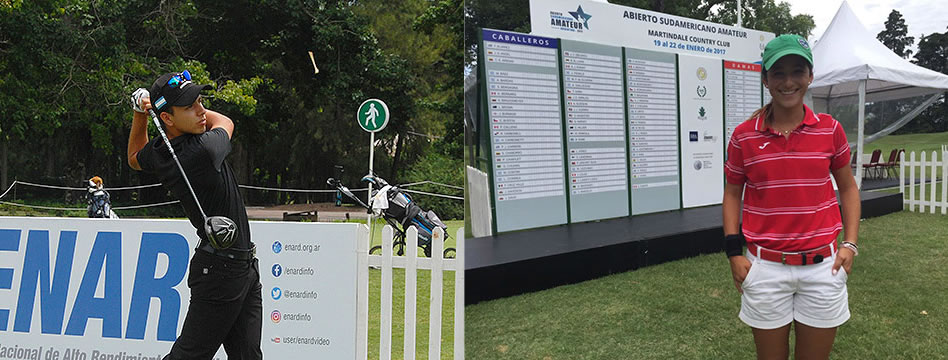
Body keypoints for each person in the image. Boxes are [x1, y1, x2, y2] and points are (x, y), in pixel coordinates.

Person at [723, 34, 860, 360]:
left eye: (797, 71)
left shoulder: (830, 129)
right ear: (766, 80)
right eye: (778, 73)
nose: (788, 81)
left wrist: (851, 243)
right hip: (765, 268)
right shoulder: (744, 136)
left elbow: (849, 188)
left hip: (823, 269)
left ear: (810, 76)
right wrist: (733, 252)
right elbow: (732, 193)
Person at [127, 71, 262, 360]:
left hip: (239, 267)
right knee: (190, 355)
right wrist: (152, 108)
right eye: (190, 107)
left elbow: (135, 156)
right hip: (221, 273)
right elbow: (225, 121)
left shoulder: (163, 151)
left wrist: (141, 112)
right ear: (167, 119)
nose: (201, 112)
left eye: (201, 102)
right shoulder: (202, 150)